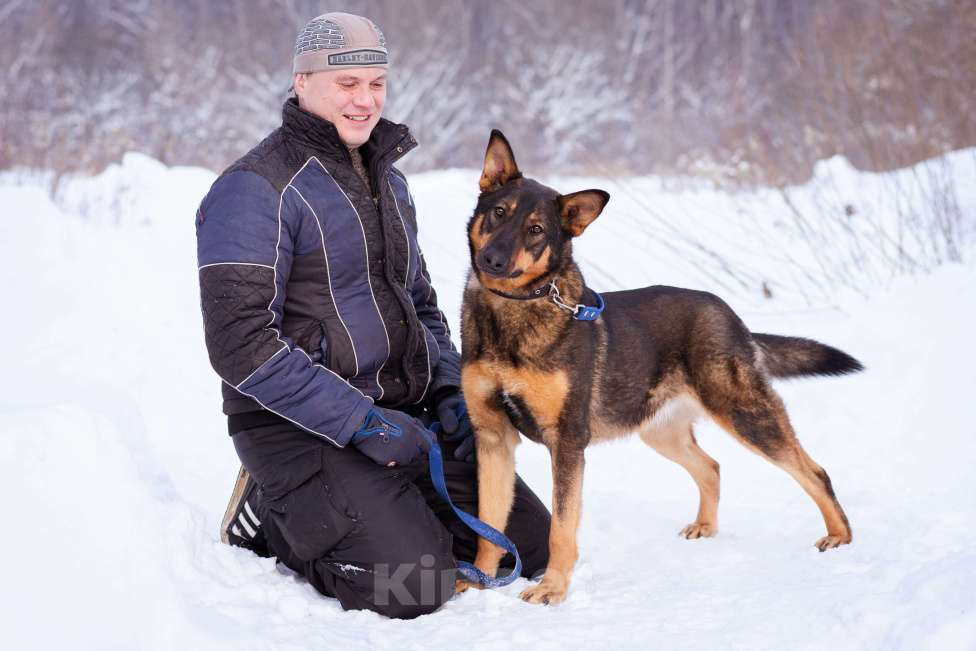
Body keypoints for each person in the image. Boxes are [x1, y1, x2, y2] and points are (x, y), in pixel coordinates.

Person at [195, 12, 551, 619]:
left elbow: (422, 306)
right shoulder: (254, 188)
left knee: (530, 543)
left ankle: (385, 503)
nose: (365, 100)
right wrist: (360, 422)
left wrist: (447, 391)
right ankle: (273, 519)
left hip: (401, 418)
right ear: (302, 82)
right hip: (296, 427)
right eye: (347, 84)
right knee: (413, 586)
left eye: (376, 83)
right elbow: (239, 344)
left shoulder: (391, 182)